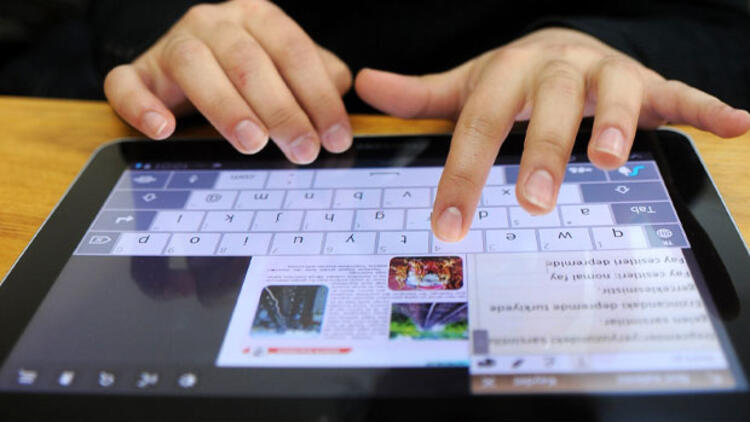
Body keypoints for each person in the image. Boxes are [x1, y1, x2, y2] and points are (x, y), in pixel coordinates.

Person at [4, 0, 750, 241]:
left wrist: (594, 47)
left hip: (552, 120)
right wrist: (175, 36)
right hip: (237, 141)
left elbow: (724, 25)